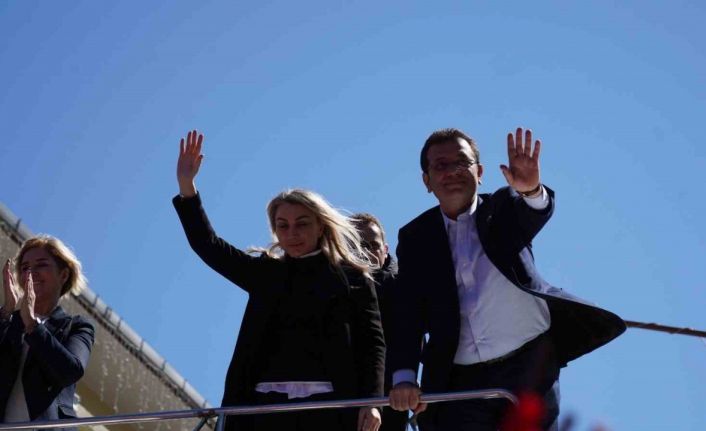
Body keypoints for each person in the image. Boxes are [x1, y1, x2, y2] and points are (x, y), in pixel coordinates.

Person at [387, 127, 626, 430]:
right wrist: (404, 378)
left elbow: (531, 212)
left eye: (462, 162)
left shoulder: (501, 208)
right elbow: (407, 313)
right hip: (459, 380)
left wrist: (531, 190)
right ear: (427, 181)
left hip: (528, 368)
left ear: (480, 172)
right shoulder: (415, 237)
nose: (452, 172)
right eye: (441, 165)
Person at [173, 130, 385, 431]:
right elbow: (209, 246)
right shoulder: (266, 273)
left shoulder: (353, 277)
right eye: (283, 226)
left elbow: (372, 344)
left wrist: (372, 401)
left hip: (331, 409)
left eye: (302, 224)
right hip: (261, 410)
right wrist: (187, 188)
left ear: (321, 226)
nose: (292, 234)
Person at [0, 235, 95, 430]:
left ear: (63, 275)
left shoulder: (76, 326)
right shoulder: (7, 320)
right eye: (25, 268)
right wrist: (6, 313)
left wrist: (33, 326)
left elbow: (69, 371)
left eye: (41, 264)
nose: (31, 272)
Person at [351, 213, 407, 431]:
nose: (364, 252)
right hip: (340, 399)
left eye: (372, 246)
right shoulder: (329, 289)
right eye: (356, 246)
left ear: (385, 250)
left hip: (392, 399)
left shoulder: (405, 289)